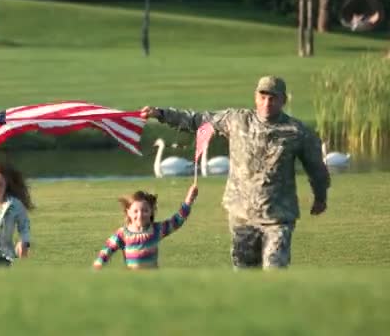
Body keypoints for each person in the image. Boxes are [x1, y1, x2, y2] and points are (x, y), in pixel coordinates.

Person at [140, 76, 330, 269]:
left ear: (283, 100)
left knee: (275, 268)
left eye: (273, 98)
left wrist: (320, 197)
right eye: (263, 96)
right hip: (241, 214)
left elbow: (317, 168)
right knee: (244, 272)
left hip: (278, 217)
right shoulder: (236, 119)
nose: (267, 103)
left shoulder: (297, 131)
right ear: (255, 97)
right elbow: (196, 120)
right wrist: (160, 114)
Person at [93, 184, 198, 269]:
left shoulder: (156, 230)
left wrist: (188, 200)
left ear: (151, 212)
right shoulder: (122, 234)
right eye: (135, 211)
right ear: (128, 212)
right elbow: (107, 250)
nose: (140, 215)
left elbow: (177, 221)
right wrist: (98, 264)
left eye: (145, 211)